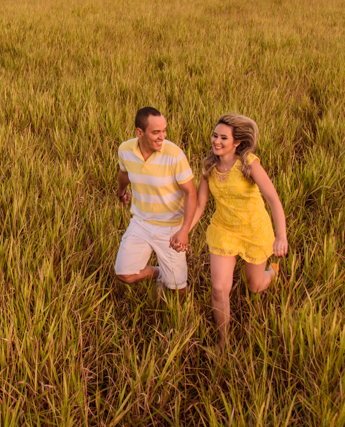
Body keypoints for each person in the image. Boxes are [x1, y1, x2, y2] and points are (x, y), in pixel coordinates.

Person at [185, 113, 288, 346]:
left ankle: (272, 272)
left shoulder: (248, 163)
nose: (216, 141)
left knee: (254, 286)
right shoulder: (209, 166)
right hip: (224, 231)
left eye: (223, 138)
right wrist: (184, 232)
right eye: (214, 135)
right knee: (219, 290)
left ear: (237, 143)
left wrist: (281, 235)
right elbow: (200, 205)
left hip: (254, 230)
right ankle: (224, 341)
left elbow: (273, 199)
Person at [114, 107, 197, 298]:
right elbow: (123, 173)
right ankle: (161, 273)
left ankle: (173, 281)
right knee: (125, 274)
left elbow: (191, 192)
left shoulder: (174, 154)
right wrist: (121, 192)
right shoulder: (125, 150)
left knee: (179, 291)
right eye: (156, 132)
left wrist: (183, 230)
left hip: (170, 229)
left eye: (164, 130)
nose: (163, 136)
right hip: (140, 222)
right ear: (139, 133)